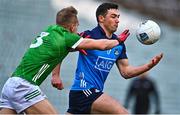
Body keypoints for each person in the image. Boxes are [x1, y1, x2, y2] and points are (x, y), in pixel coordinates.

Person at [0, 6, 129, 114]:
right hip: (24, 86)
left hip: (10, 85)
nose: (77, 31)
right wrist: (118, 40)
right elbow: (103, 45)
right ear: (72, 27)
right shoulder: (67, 37)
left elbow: (58, 53)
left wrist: (56, 75)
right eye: (77, 27)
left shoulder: (49, 30)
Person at [63, 3, 162, 114]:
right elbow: (64, 47)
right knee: (123, 113)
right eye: (113, 16)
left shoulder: (119, 44)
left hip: (92, 94)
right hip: (84, 90)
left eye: (118, 17)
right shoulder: (88, 35)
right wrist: (55, 75)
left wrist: (149, 66)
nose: (117, 20)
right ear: (101, 18)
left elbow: (126, 72)